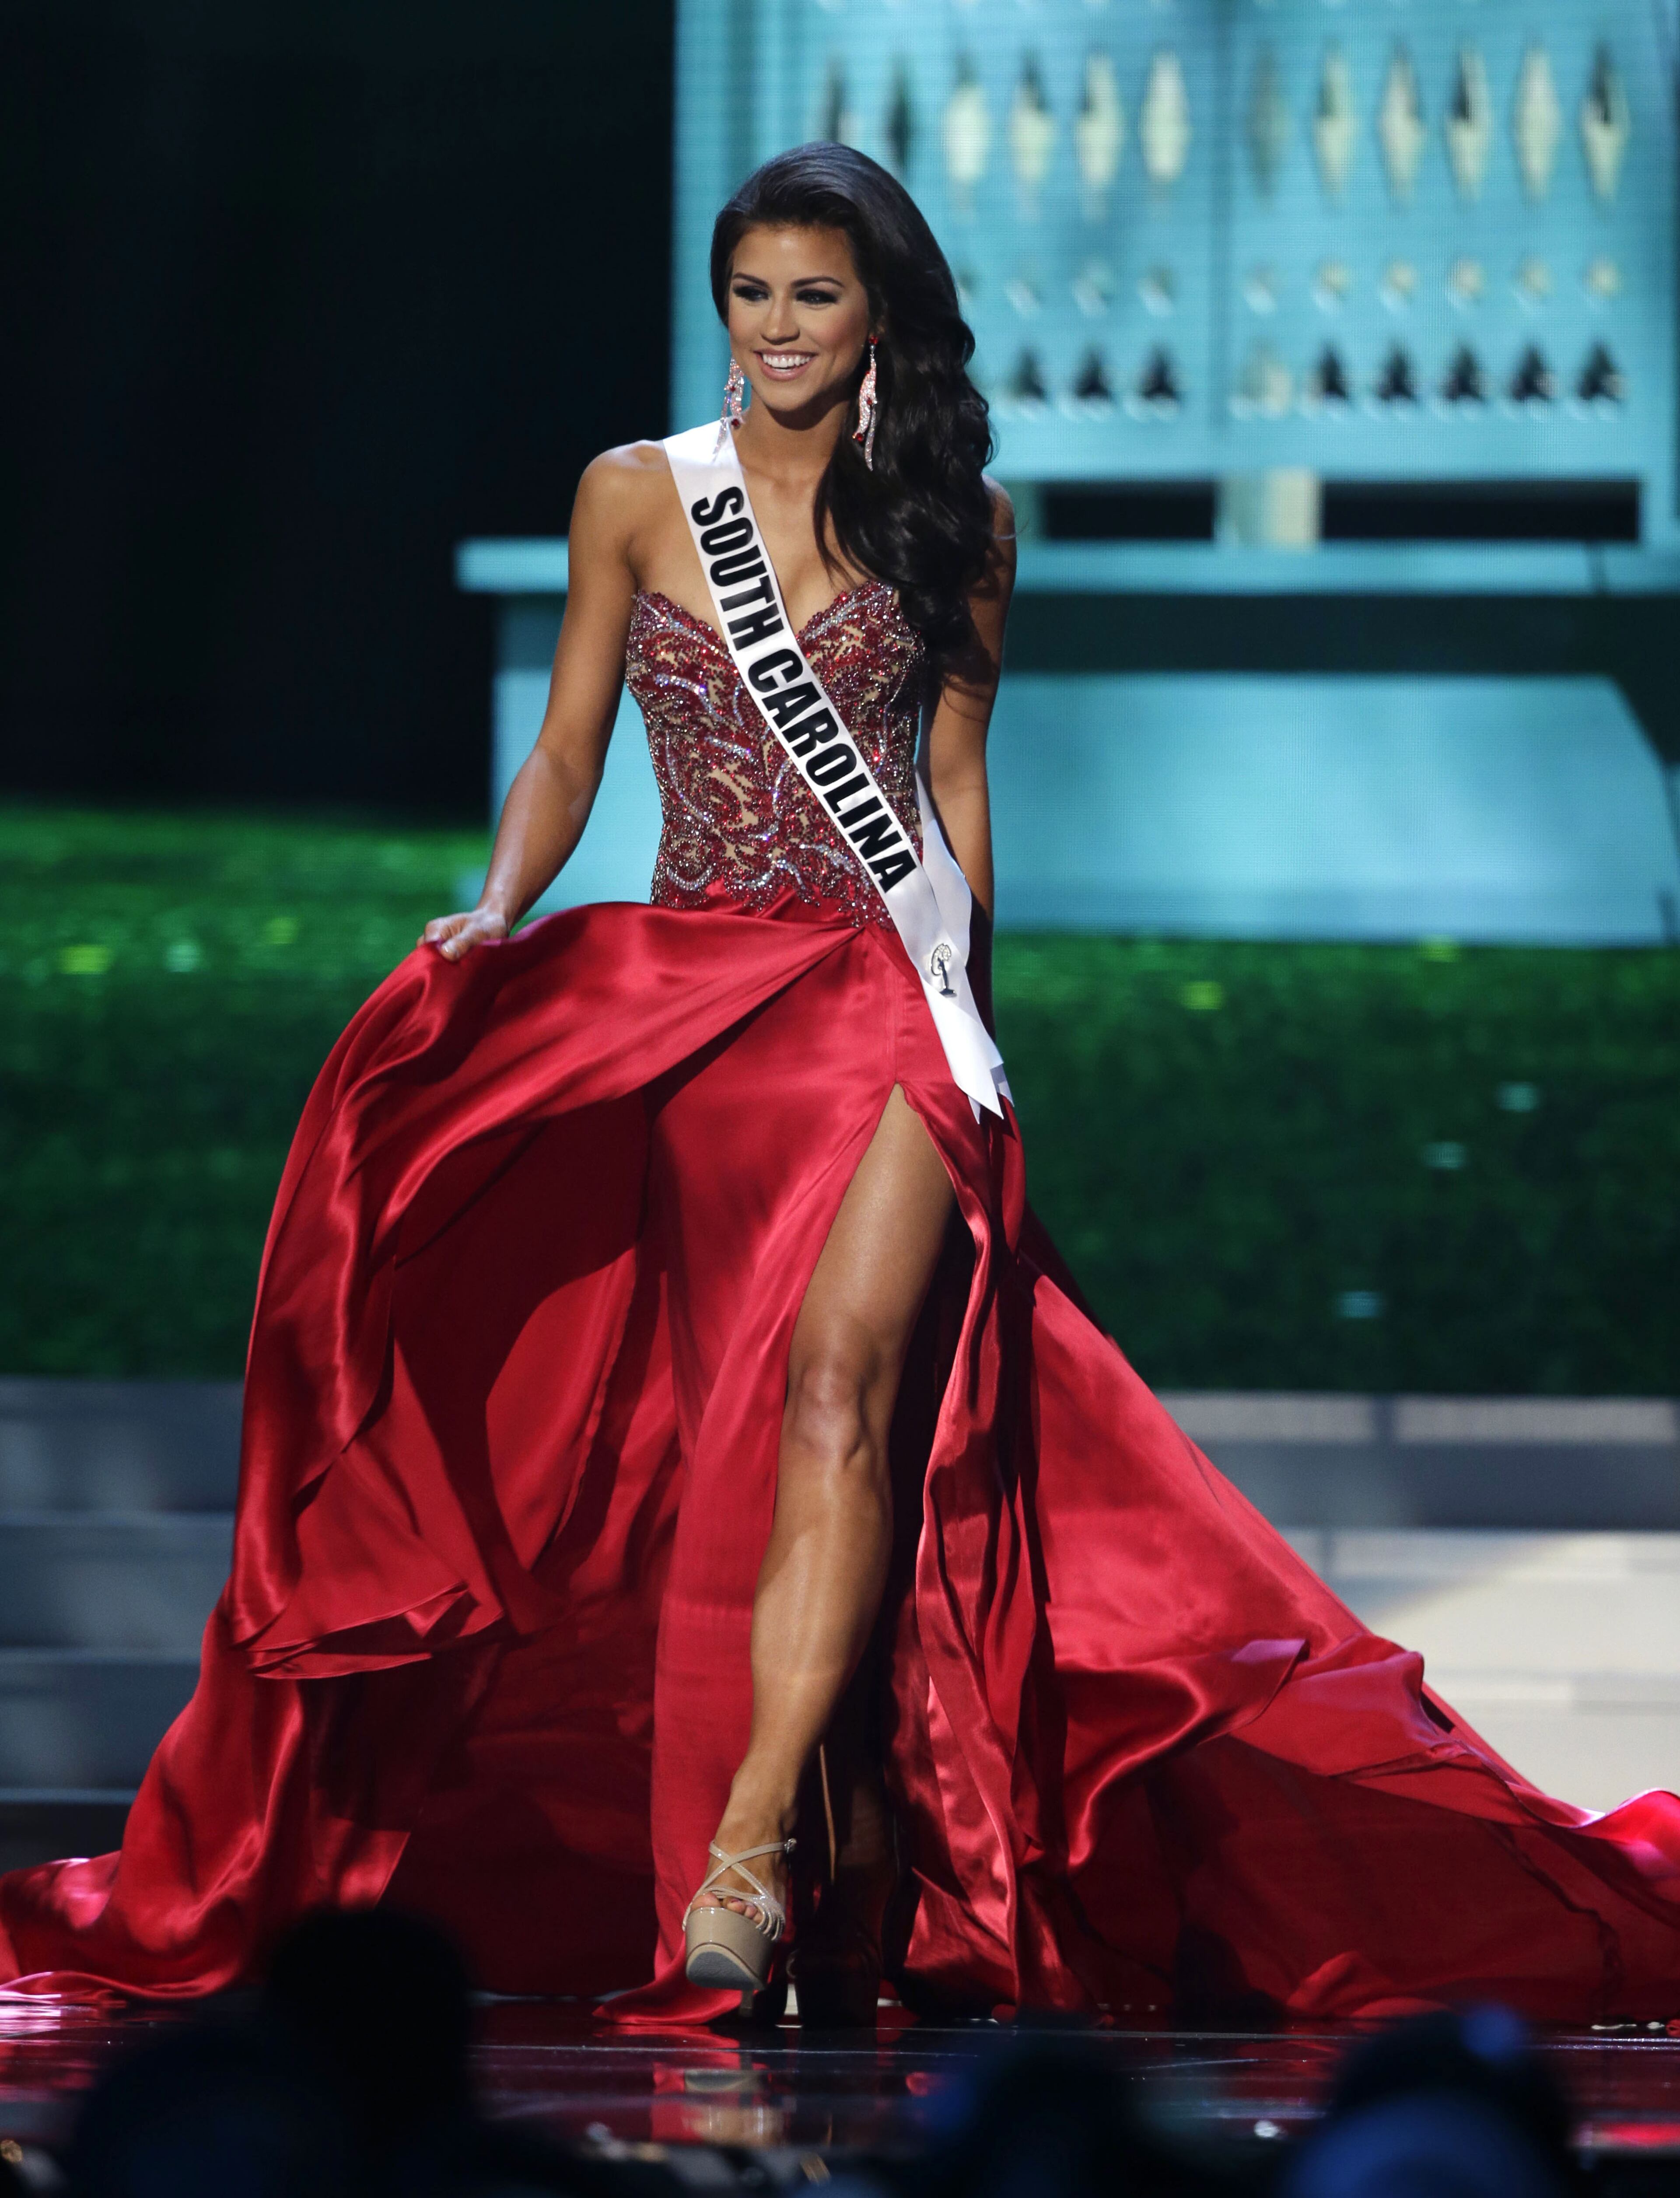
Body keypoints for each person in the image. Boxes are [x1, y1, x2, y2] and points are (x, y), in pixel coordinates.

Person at [3, 144, 1679, 2028]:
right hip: (685, 1006)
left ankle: (745, 1851)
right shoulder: (638, 496)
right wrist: (495, 904)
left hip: (882, 1000)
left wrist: (977, 1016)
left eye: (816, 294)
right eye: (753, 294)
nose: (781, 329)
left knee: (835, 1393)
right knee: (721, 1458)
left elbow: (955, 788)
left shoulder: (956, 517)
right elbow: (567, 750)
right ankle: (854, 1817)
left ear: (879, 309)